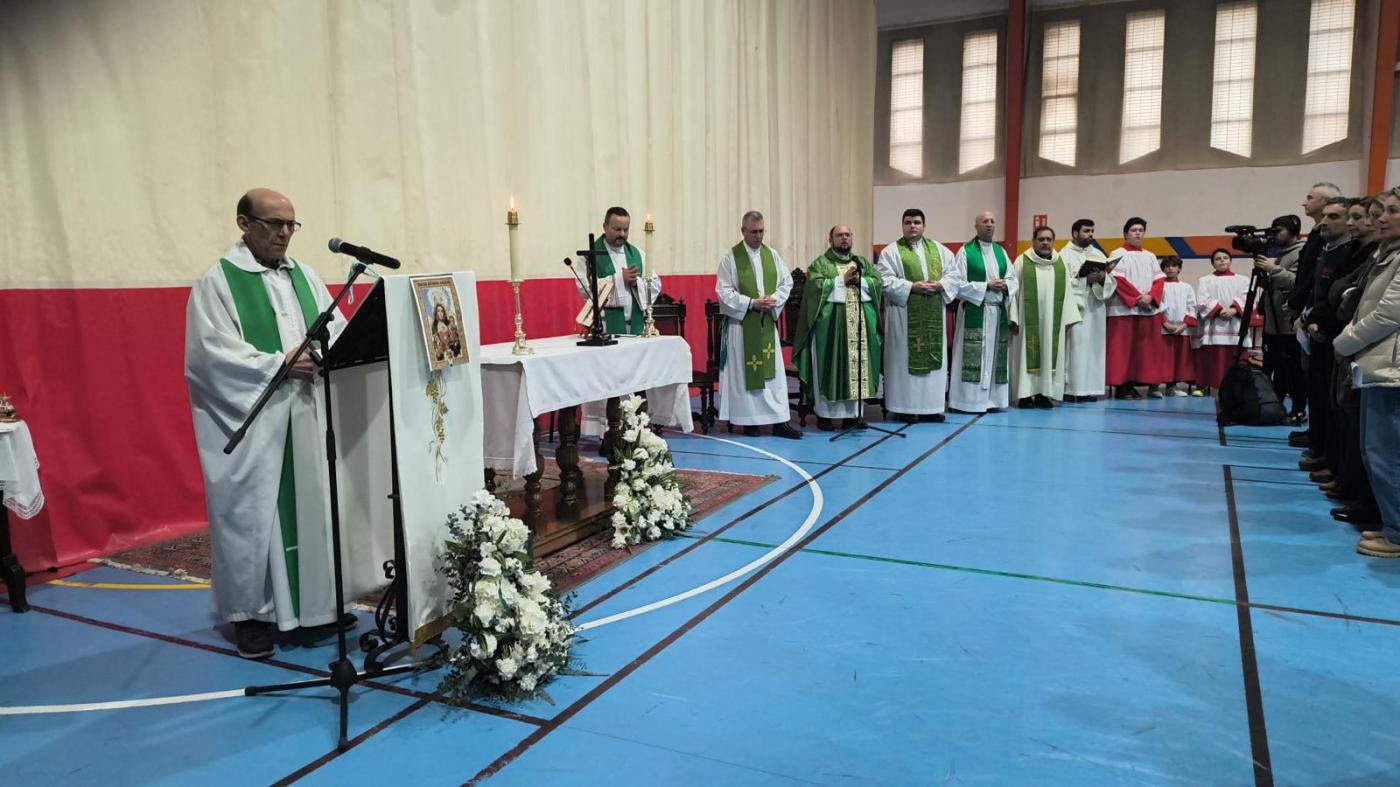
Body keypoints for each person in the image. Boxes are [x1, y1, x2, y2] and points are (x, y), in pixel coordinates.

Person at [185, 188, 350, 660]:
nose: (284, 234)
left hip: (304, 413)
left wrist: (322, 353)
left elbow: (333, 328)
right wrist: (277, 364)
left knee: (313, 508)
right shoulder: (217, 282)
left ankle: (313, 610)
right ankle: (250, 618)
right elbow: (207, 357)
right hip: (253, 421)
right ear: (244, 223)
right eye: (274, 224)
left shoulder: (306, 276)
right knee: (251, 517)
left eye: (291, 225)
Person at [1334, 187, 1400, 558]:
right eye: (1382, 211)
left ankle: (1397, 532)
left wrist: (1345, 342)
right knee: (1376, 451)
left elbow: (1390, 314)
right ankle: (1392, 526)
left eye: (1392, 211)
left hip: (1393, 368)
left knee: (1387, 454)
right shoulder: (1388, 255)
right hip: (1380, 365)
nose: (1382, 217)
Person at [716, 211, 802, 438]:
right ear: (743, 231)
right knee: (747, 375)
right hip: (743, 327)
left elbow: (787, 283)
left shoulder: (771, 255)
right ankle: (749, 421)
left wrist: (773, 300)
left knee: (773, 376)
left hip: (765, 324)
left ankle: (778, 421)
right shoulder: (731, 258)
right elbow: (723, 292)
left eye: (761, 231)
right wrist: (751, 303)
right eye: (753, 232)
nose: (758, 236)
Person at [792, 226, 883, 430]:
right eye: (839, 235)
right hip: (830, 331)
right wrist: (841, 281)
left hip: (859, 329)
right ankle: (825, 416)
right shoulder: (821, 264)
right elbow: (814, 289)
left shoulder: (862, 263)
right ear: (830, 239)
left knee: (856, 368)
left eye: (847, 235)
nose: (844, 239)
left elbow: (878, 282)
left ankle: (853, 416)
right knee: (831, 366)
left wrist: (862, 281)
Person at [876, 209, 958, 422]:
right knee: (903, 361)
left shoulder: (940, 251)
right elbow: (883, 280)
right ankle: (903, 407)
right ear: (902, 225)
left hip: (933, 315)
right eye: (908, 222)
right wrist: (912, 287)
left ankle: (931, 408)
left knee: (932, 365)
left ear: (924, 225)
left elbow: (955, 275)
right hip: (903, 317)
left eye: (917, 222)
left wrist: (940, 284)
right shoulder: (891, 252)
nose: (913, 226)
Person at [1297, 197, 1357, 475]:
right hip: (1315, 331)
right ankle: (1320, 449)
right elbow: (1316, 289)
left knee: (1334, 404)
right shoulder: (1326, 249)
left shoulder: (1351, 252)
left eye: (1333, 217)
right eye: (1325, 216)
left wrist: (1319, 320)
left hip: (1333, 334)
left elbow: (1340, 295)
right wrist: (1307, 315)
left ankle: (1333, 461)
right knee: (1319, 397)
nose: (1324, 222)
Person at [1285, 182, 1344, 444]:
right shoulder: (1317, 234)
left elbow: (1317, 280)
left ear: (1326, 201)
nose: (1304, 202)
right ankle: (1316, 433)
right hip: (1306, 311)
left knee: (1321, 382)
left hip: (1317, 317)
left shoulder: (1330, 240)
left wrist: (1306, 310)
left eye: (1310, 198)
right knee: (1312, 377)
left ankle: (1320, 437)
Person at [948, 211, 1018, 413]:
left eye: (992, 221)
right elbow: (957, 285)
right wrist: (986, 285)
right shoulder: (965, 251)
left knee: (995, 355)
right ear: (976, 226)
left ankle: (994, 400)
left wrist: (1006, 285)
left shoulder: (1001, 252)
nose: (989, 225)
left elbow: (1014, 279)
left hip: (997, 313)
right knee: (973, 357)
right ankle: (967, 401)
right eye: (984, 222)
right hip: (975, 310)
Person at [1009, 226, 1081, 408]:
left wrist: (1067, 318)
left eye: (1049, 239)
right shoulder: (1022, 262)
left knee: (1050, 354)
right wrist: (1013, 316)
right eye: (1041, 239)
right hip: (1027, 322)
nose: (1045, 243)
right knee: (1026, 355)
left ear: (1053, 242)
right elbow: (1013, 291)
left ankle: (1044, 394)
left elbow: (1067, 293)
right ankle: (1025, 395)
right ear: (1033, 241)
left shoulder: (1059, 263)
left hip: (1052, 323)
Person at [1105, 217, 1171, 399]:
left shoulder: (1150, 256)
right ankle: (1122, 386)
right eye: (1134, 230)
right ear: (1125, 234)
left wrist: (1150, 297)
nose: (1138, 233)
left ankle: (1147, 384)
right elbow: (1118, 279)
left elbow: (1159, 280)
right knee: (1123, 350)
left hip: (1147, 309)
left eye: (1141, 230)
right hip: (1124, 310)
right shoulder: (1117, 253)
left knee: (1145, 350)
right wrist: (1137, 298)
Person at [1253, 215, 1305, 420]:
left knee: (1293, 369)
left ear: (1293, 232)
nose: (1274, 236)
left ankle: (1299, 409)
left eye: (1279, 231)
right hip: (1273, 323)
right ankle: (1274, 407)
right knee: (1274, 367)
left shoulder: (1301, 252)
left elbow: (1299, 283)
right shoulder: (1280, 254)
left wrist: (1273, 269)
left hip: (1289, 324)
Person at [582, 206, 662, 336]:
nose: (622, 234)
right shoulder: (590, 255)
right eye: (617, 229)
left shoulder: (638, 254)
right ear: (605, 226)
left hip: (637, 329)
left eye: (626, 229)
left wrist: (637, 283)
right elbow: (586, 289)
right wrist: (619, 279)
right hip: (606, 330)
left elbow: (655, 284)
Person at [1061, 219, 1116, 403]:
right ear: (1075, 233)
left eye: (1092, 230)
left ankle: (1089, 389)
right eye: (1086, 231)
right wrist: (1084, 280)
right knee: (1075, 348)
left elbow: (1110, 282)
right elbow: (1061, 283)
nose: (1090, 234)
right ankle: (1071, 389)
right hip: (1076, 308)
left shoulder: (1098, 254)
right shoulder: (1064, 255)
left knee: (1094, 349)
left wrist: (1102, 277)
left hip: (1095, 307)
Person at [1193, 249, 1250, 399]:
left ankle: (1239, 392)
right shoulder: (1205, 280)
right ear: (1213, 263)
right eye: (1218, 258)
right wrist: (1219, 310)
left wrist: (1233, 310)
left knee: (1236, 360)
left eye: (1225, 258)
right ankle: (1217, 391)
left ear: (1230, 261)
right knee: (1216, 362)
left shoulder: (1243, 280)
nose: (1222, 260)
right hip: (1214, 327)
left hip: (1236, 325)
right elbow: (1202, 300)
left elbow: (1248, 298)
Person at [1154, 255, 1198, 396]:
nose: (1170, 268)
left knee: (1178, 359)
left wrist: (1184, 325)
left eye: (1173, 266)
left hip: (1181, 329)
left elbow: (1192, 307)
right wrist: (1165, 323)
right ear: (1162, 269)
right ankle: (1153, 387)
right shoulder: (1158, 286)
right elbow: (1155, 306)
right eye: (1167, 266)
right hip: (1162, 328)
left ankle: (1172, 387)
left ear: (1179, 268)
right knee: (1160, 358)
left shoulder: (1186, 287)